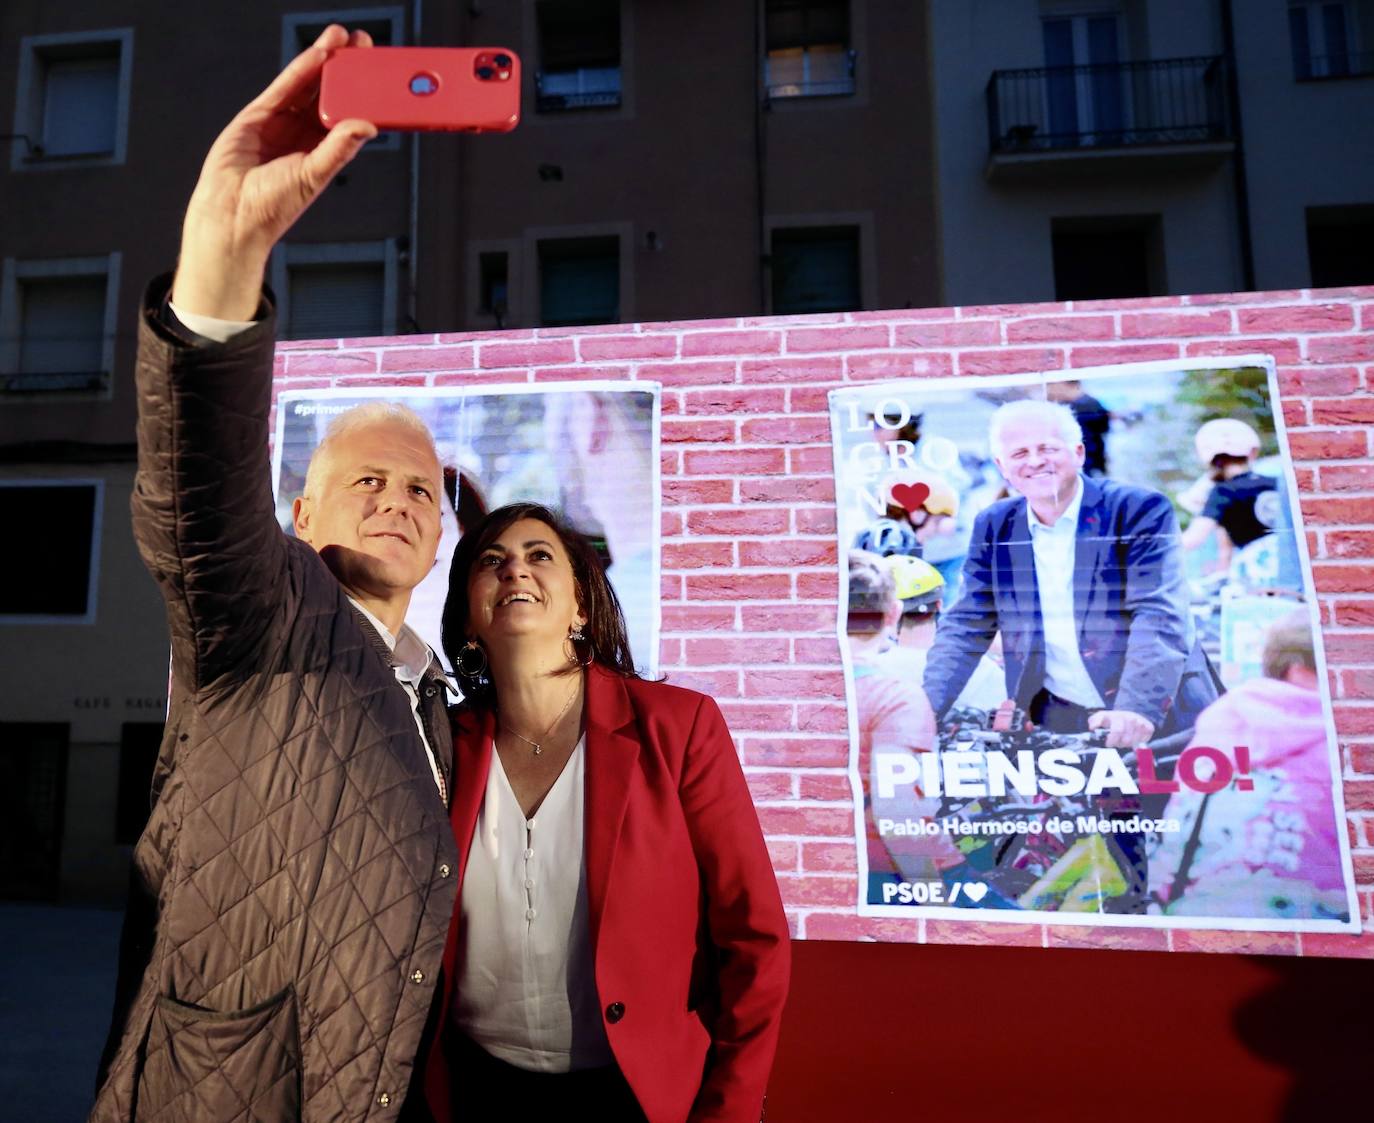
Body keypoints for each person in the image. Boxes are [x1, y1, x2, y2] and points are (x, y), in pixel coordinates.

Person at [93, 27, 461, 1122]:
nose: (399, 499)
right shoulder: (267, 603)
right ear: (300, 511)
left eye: (423, 492)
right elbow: (196, 503)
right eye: (369, 481)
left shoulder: (440, 695)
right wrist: (219, 264)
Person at [427, 503, 790, 1121]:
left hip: (636, 1097)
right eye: (492, 561)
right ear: (468, 617)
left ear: (582, 607)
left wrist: (728, 1110)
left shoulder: (679, 727)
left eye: (539, 556)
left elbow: (754, 938)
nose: (515, 570)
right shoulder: (439, 742)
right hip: (477, 1093)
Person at [923, 398, 1219, 749]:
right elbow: (967, 625)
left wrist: (1137, 708)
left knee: (1165, 805)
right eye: (1019, 454)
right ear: (1002, 466)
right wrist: (922, 713)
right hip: (1061, 720)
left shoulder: (1137, 509)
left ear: (1078, 453)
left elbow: (1158, 613)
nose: (1035, 461)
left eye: (1047, 448)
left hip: (1159, 715)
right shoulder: (995, 525)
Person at [1149, 609, 1348, 920]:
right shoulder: (1341, 740)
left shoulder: (1219, 723)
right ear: (1300, 669)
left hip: (1192, 913)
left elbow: (1178, 829)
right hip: (1307, 927)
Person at [845, 551, 955, 890]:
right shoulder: (896, 697)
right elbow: (896, 812)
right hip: (901, 871)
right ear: (893, 614)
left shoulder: (804, 689)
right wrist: (931, 896)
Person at [1180, 417, 1279, 570]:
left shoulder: (1222, 491)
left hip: (1260, 572)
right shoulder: (1276, 482)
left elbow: (1194, 538)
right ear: (1252, 452)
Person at [1045, 378, 1111, 477]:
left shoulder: (1087, 406)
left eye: (1051, 385)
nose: (1049, 389)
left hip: (1089, 463)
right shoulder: (1064, 406)